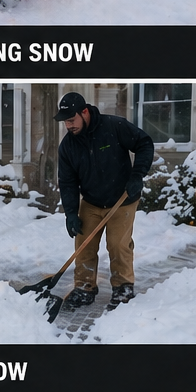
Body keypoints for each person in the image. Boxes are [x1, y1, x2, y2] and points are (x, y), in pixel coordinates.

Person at [55, 91, 154, 308]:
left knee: (118, 245)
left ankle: (123, 287)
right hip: (91, 201)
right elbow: (68, 182)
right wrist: (71, 212)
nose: (68, 126)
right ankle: (84, 287)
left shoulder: (113, 127)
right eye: (65, 122)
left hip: (123, 198)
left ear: (85, 112)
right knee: (84, 244)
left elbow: (144, 143)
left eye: (72, 120)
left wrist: (137, 175)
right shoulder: (68, 146)